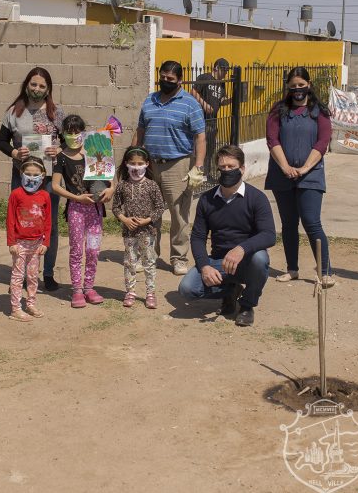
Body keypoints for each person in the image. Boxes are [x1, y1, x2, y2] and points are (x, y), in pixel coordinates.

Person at [178, 145, 276, 327]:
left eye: (231, 167)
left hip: (246, 261)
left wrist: (241, 249)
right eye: (222, 167)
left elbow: (269, 235)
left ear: (242, 169)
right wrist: (205, 266)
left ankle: (247, 305)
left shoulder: (257, 198)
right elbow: (198, 237)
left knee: (260, 258)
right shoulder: (206, 200)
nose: (227, 170)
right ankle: (229, 292)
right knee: (187, 289)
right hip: (219, 261)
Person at [133, 60, 207, 275]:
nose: (165, 82)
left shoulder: (190, 103)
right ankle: (148, 255)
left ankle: (179, 258)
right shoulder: (150, 100)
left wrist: (198, 167)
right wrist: (132, 156)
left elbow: (200, 137)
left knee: (178, 213)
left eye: (170, 79)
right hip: (149, 164)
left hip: (178, 165)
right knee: (148, 213)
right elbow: (140, 129)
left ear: (180, 80)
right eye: (163, 78)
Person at [0, 68, 65, 291]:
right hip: (22, 178)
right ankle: (21, 273)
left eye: (42, 86)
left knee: (50, 226)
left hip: (48, 178)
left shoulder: (57, 113)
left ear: (48, 89)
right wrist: (14, 153)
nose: (37, 89)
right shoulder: (14, 112)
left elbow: (70, 141)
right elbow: (1, 142)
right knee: (22, 224)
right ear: (27, 84)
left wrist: (59, 149)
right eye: (33, 84)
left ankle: (48, 273)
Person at [265, 67, 334, 287]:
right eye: (293, 86)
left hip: (311, 176)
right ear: (288, 87)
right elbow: (272, 140)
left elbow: (323, 142)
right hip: (282, 175)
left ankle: (325, 272)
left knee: (312, 222)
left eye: (301, 85)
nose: (297, 90)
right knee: (288, 224)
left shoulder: (319, 112)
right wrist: (285, 167)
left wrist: (304, 168)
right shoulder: (278, 111)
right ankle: (292, 269)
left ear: (309, 84)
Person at [52, 115, 109, 308]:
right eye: (69, 132)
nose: (74, 135)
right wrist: (76, 198)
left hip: (95, 209)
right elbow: (55, 186)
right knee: (76, 250)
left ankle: (89, 287)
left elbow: (111, 178)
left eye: (77, 131)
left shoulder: (95, 151)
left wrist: (111, 190)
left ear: (83, 132)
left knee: (93, 250)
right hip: (76, 209)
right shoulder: (61, 157)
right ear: (63, 133)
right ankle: (76, 290)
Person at [111, 146, 166, 309]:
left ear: (147, 164)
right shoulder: (122, 185)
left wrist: (148, 220)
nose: (136, 167)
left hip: (148, 232)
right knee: (129, 262)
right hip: (129, 232)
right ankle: (130, 292)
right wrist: (124, 219)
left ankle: (150, 293)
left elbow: (160, 207)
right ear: (126, 164)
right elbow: (115, 207)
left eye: (140, 163)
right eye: (132, 163)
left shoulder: (152, 185)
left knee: (149, 261)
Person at [6, 157, 51, 322]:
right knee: (18, 276)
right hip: (20, 243)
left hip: (37, 243)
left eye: (35, 174)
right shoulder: (16, 194)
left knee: (32, 276)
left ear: (43, 175)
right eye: (28, 174)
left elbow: (48, 221)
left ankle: (30, 303)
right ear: (21, 173)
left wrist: (46, 243)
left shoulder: (45, 196)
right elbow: (10, 220)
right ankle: (15, 309)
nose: (31, 177)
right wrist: (11, 242)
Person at [191, 57, 230, 177]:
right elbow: (193, 92)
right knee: (198, 148)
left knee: (210, 149)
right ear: (216, 68)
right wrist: (204, 104)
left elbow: (222, 100)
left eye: (226, 71)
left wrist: (231, 100)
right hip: (201, 119)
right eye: (224, 70)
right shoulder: (205, 77)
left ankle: (206, 175)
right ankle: (196, 173)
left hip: (213, 121)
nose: (225, 73)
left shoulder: (221, 83)